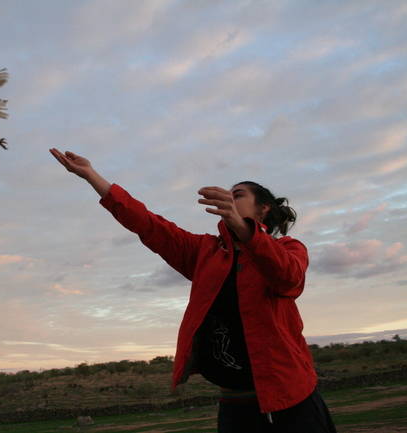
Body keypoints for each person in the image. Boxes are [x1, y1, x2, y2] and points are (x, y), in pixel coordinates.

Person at [49, 148, 337, 433]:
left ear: (264, 209)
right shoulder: (204, 252)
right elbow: (148, 224)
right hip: (234, 404)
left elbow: (289, 278)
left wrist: (244, 229)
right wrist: (92, 177)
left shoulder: (288, 248)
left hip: (290, 401)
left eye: (238, 195)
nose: (229, 199)